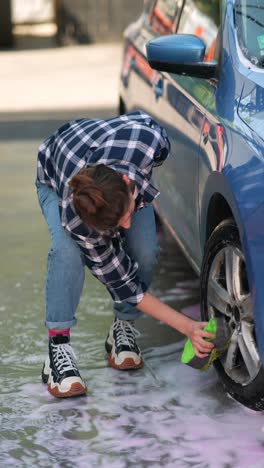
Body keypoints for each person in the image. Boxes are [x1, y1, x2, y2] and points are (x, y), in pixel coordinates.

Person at [36, 110, 214, 398]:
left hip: (110, 153)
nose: (126, 225)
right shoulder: (77, 217)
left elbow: (147, 131)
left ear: (128, 183)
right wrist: (188, 327)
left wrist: (127, 211)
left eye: (127, 214)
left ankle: (123, 327)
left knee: (144, 248)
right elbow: (125, 285)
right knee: (67, 254)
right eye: (117, 224)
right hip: (53, 177)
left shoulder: (150, 143)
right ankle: (58, 349)